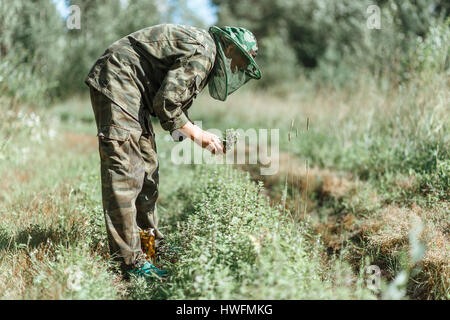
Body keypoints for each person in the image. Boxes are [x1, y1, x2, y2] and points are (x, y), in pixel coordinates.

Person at [85, 23, 261, 278]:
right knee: (125, 174)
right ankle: (130, 264)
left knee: (147, 170)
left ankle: (149, 248)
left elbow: (171, 103)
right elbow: (166, 102)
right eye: (239, 61)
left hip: (135, 94)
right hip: (118, 82)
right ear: (229, 48)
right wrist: (199, 135)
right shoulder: (205, 52)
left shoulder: (204, 51)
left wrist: (192, 134)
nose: (237, 68)